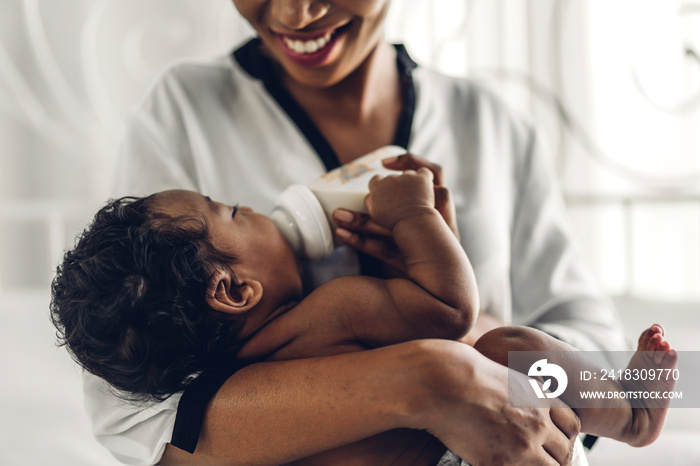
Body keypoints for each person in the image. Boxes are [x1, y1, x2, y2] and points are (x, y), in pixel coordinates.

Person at [84, 0, 631, 464]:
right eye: (231, 209)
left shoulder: (488, 122)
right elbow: (131, 409)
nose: (298, 13)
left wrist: (501, 375)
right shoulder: (183, 110)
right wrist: (431, 378)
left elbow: (595, 338)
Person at [56, 173, 675, 466]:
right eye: (235, 210)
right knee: (507, 344)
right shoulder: (332, 311)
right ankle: (636, 414)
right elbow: (454, 313)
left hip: (499, 436)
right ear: (237, 288)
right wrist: (417, 219)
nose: (256, 210)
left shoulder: (233, 383)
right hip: (470, 452)